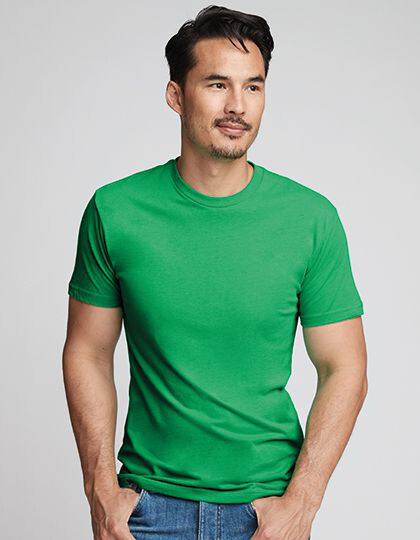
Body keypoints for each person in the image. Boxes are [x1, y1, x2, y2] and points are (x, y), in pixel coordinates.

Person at [63, 5, 368, 540]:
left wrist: (302, 502)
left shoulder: (310, 219)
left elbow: (345, 367)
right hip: (148, 513)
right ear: (176, 95)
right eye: (217, 84)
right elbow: (87, 350)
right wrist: (100, 489)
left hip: (265, 513)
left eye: (253, 87)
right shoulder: (116, 211)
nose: (237, 106)